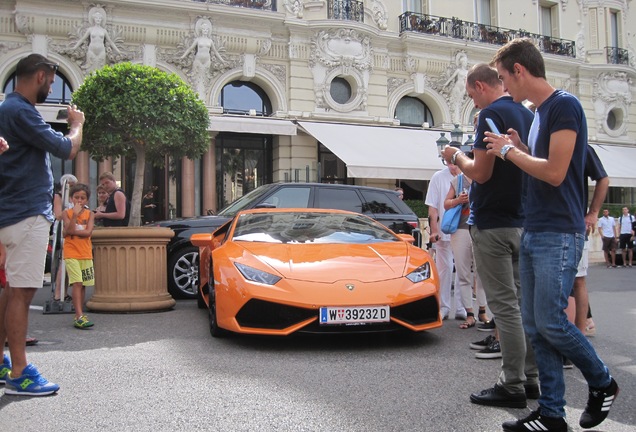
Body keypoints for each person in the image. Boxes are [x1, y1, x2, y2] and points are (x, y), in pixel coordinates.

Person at [485, 38, 618, 432]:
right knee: (534, 325)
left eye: (506, 79)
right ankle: (552, 414)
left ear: (520, 70)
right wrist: (522, 145)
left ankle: (602, 381)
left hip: (558, 231)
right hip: (537, 227)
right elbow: (546, 166)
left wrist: (509, 153)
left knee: (551, 323)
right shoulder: (541, 112)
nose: (506, 88)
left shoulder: (564, 105)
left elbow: (557, 173)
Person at [442, 63, 537, 406]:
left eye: (471, 96)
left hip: (494, 221)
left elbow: (481, 173)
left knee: (505, 306)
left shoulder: (489, 114)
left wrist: (457, 156)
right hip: (523, 219)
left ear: (481, 86)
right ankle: (532, 377)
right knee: (524, 303)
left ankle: (512, 384)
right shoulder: (528, 114)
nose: (474, 104)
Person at [0, 53, 84, 396]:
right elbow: (66, 148)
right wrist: (77, 123)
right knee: (22, 293)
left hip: (10, 213)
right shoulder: (20, 110)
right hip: (27, 214)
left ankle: (4, 361)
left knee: (9, 292)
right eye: (51, 81)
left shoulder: (6, 110)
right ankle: (19, 372)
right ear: (39, 76)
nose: (51, 86)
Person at [565, 146, 608, 339]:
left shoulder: (582, 147)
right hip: (551, 225)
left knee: (578, 280)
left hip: (574, 224)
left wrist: (593, 213)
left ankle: (580, 333)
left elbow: (603, 178)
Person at [442, 165, 489, 330]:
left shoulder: (485, 176)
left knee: (482, 272)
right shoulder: (459, 180)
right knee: (463, 274)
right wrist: (458, 200)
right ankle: (470, 314)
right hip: (461, 230)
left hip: (482, 228)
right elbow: (446, 203)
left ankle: (482, 310)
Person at [425, 162, 465, 321]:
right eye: (449, 162)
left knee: (462, 270)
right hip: (444, 230)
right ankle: (444, 307)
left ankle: (463, 307)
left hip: (463, 229)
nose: (452, 166)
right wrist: (434, 230)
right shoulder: (439, 177)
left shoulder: (468, 175)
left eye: (454, 162)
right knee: (445, 269)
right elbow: (432, 207)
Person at [61, 184, 95, 329]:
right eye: (76, 197)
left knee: (83, 285)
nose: (79, 200)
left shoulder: (90, 214)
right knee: (77, 283)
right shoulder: (66, 213)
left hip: (85, 252)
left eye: (83, 198)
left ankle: (79, 315)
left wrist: (72, 231)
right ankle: (79, 315)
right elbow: (67, 230)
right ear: (71, 198)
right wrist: (74, 215)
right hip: (71, 252)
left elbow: (88, 232)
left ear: (87, 200)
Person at [52, 173, 78, 302]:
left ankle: (64, 292)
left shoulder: (75, 198)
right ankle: (58, 293)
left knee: (68, 261)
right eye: (69, 185)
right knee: (64, 260)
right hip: (63, 229)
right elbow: (57, 215)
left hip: (73, 229)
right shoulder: (59, 196)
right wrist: (72, 215)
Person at [72, 6, 121, 72]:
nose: (98, 19)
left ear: (101, 20)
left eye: (100, 18)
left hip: (101, 51)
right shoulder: (90, 30)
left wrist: (118, 51)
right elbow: (83, 39)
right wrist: (74, 47)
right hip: (92, 50)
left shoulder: (104, 31)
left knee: (101, 70)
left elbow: (110, 41)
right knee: (90, 70)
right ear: (94, 19)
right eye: (96, 18)